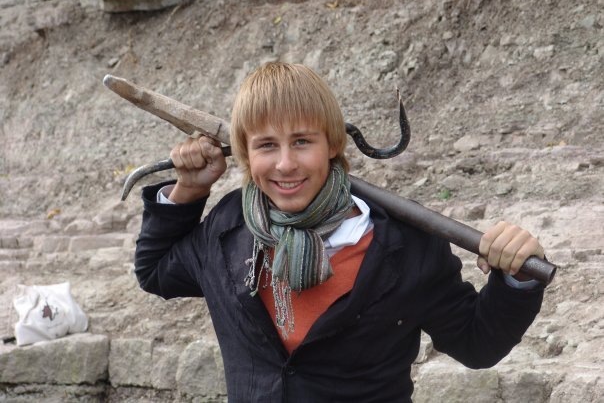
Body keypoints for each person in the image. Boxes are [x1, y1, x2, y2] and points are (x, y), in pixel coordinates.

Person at [135, 62, 546, 402]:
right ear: (245, 153)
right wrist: (189, 191)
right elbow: (155, 272)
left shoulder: (406, 245)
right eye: (266, 145)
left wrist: (516, 278)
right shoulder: (229, 226)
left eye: (301, 141)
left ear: (332, 145)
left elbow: (478, 344)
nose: (285, 164)